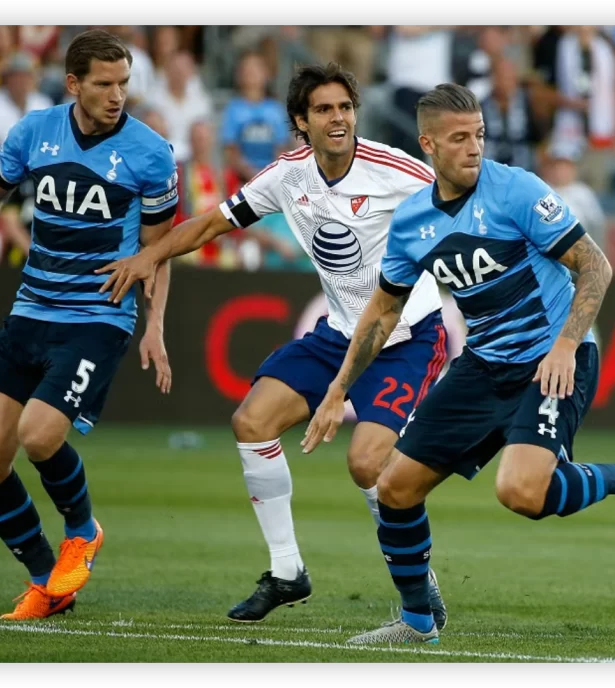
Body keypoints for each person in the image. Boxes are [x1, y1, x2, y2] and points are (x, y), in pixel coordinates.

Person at [301, 83, 615, 645]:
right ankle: (416, 622)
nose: (474, 147)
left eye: (478, 134)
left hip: (555, 359)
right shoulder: (411, 223)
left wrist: (565, 345)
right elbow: (382, 313)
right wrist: (336, 392)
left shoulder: (516, 190)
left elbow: (595, 267)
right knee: (394, 488)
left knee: (522, 494)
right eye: (459, 139)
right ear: (428, 144)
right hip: (484, 364)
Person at [95, 63, 450, 626]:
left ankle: (418, 579)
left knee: (366, 464)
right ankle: (287, 571)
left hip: (407, 335)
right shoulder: (288, 175)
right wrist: (149, 256)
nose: (339, 119)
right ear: (300, 123)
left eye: (345, 107)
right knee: (252, 422)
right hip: (338, 332)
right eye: (325, 110)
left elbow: (464, 204)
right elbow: (212, 223)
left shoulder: (395, 170)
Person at [0, 29, 179, 621]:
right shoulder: (33, 132)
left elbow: (158, 249)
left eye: (124, 83)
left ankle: (83, 530)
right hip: (31, 311)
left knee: (41, 433)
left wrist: (154, 326)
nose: (117, 95)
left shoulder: (152, 153)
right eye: (104, 84)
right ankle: (47, 581)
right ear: (74, 83)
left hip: (98, 317)